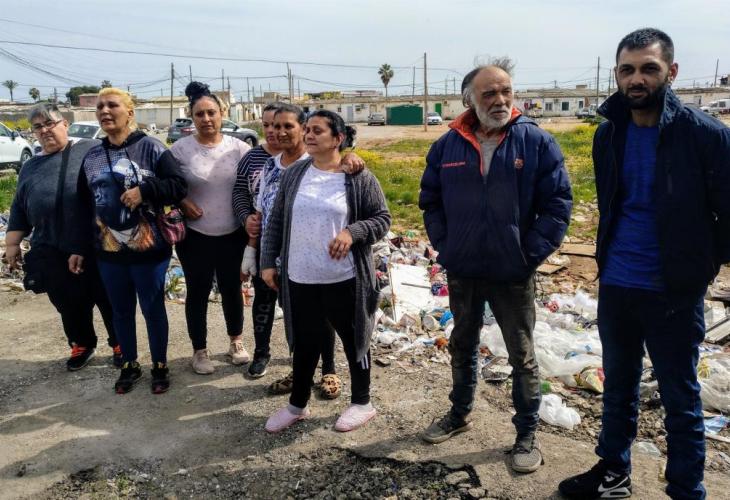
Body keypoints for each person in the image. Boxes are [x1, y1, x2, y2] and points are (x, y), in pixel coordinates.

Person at [559, 28, 730, 500]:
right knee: (618, 388)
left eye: (648, 69)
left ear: (671, 72)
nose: (637, 79)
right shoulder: (608, 134)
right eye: (628, 70)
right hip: (617, 284)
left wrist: (699, 268)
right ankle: (613, 474)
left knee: (680, 399)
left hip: (674, 291)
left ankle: (686, 491)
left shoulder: (706, 135)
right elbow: (614, 204)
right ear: (617, 75)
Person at [418, 60, 572, 473]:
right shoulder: (447, 146)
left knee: (521, 356)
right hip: (463, 269)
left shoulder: (536, 142)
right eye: (489, 93)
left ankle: (526, 435)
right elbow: (430, 200)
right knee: (462, 344)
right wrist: (447, 246)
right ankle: (459, 414)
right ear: (469, 99)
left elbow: (558, 205)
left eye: (506, 91)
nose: (500, 100)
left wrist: (528, 255)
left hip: (512, 273)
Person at [261, 110, 391, 433]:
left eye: (317, 130)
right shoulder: (295, 174)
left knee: (354, 339)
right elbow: (276, 220)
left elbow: (382, 218)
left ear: (338, 138)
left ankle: (362, 402)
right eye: (307, 129)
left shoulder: (357, 176)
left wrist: (352, 233)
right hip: (300, 277)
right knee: (305, 342)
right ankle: (297, 405)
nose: (308, 135)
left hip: (344, 278)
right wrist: (267, 261)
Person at [77, 87, 187, 395]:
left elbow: (179, 185)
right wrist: (80, 248)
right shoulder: (92, 156)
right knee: (120, 311)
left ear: (129, 113)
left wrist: (145, 190)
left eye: (112, 105)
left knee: (152, 309)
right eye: (100, 107)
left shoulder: (151, 148)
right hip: (108, 253)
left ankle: (160, 365)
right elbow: (83, 205)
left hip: (149, 251)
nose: (105, 111)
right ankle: (129, 363)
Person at [5, 103, 119, 371]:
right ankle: (82, 343)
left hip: (95, 242)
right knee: (67, 300)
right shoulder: (30, 166)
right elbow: (19, 206)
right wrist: (12, 243)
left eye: (50, 123)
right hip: (50, 245)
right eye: (38, 127)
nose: (44, 130)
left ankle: (120, 342)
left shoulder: (90, 150)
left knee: (107, 296)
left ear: (65, 124)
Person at [171, 82, 251, 375]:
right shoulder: (180, 150)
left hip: (233, 233)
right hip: (195, 235)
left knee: (232, 288)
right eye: (199, 114)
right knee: (197, 291)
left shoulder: (240, 149)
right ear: (191, 116)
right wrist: (182, 201)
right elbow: (165, 185)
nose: (206, 119)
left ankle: (236, 341)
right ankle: (199, 350)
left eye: (211, 112)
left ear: (222, 113)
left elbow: (255, 185)